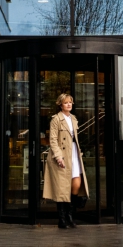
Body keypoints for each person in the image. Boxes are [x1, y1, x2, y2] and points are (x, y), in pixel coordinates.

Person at [42, 92, 88, 228]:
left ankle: (70, 214)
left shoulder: (73, 118)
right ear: (60, 105)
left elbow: (75, 139)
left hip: (73, 153)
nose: (69, 104)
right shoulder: (56, 119)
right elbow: (53, 140)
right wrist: (58, 156)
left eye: (70, 102)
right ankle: (62, 219)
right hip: (61, 155)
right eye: (66, 102)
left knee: (76, 184)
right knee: (62, 188)